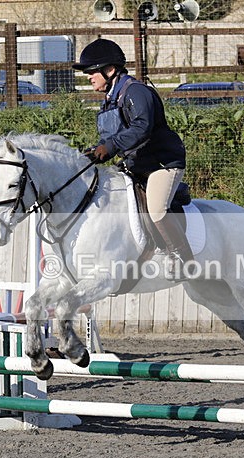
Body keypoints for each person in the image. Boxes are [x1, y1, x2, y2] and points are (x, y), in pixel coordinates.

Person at [73, 39, 193, 279]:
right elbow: (111, 138)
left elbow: (142, 127)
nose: (88, 77)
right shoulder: (110, 100)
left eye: (92, 72)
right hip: (135, 166)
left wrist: (111, 146)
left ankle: (182, 258)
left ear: (109, 70)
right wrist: (95, 151)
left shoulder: (136, 92)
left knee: (157, 209)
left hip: (161, 164)